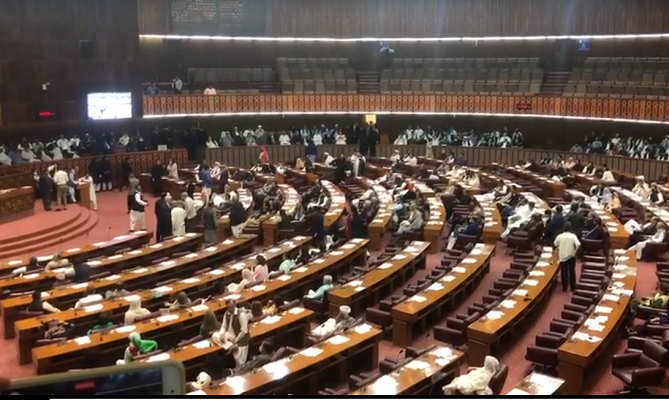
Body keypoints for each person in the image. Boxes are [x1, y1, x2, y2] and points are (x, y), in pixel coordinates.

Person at [212, 299, 250, 368]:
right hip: (229, 335)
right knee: (215, 336)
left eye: (232, 307)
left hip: (239, 338)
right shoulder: (227, 313)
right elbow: (223, 326)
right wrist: (221, 335)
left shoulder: (241, 315)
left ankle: (232, 347)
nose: (230, 309)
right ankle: (229, 347)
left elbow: (244, 331)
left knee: (239, 363)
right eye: (228, 308)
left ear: (235, 305)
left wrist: (236, 341)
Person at [554, 222, 580, 292]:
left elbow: (555, 244)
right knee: (572, 271)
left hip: (562, 256)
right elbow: (578, 244)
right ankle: (572, 287)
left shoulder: (560, 236)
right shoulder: (573, 236)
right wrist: (574, 252)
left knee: (563, 272)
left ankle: (564, 287)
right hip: (571, 256)